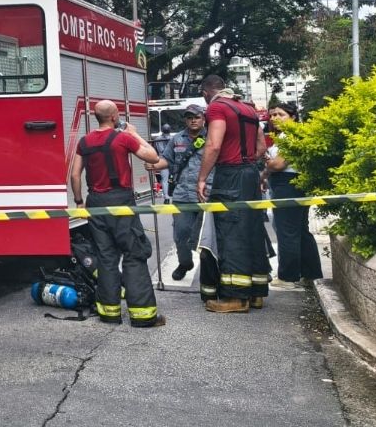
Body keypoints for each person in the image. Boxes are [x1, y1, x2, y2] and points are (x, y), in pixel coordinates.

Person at [70, 100, 165, 328]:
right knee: (134, 254)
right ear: (114, 117)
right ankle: (143, 315)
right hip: (121, 202)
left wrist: (79, 202)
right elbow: (152, 157)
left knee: (106, 257)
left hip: (95, 204)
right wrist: (135, 134)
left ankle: (109, 313)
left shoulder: (85, 141)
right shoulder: (123, 137)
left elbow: (75, 175)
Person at [196, 75, 270, 313]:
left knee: (232, 233)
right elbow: (261, 147)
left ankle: (235, 298)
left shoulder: (217, 107)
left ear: (206, 92)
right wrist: (248, 163)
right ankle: (257, 292)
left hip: (230, 175)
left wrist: (202, 178)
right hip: (249, 173)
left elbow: (214, 144)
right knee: (252, 230)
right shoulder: (247, 108)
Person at [262, 102, 323, 288]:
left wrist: (268, 164)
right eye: (272, 115)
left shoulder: (291, 136)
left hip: (287, 185)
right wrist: (268, 169)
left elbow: (278, 165)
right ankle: (311, 273)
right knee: (301, 231)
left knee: (287, 231)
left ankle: (288, 278)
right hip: (291, 184)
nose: (275, 118)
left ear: (293, 117)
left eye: (280, 114)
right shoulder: (286, 136)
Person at [159, 102, 210, 280]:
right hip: (182, 195)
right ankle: (185, 263)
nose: (193, 120)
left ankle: (209, 272)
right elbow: (166, 159)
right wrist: (153, 164)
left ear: (203, 118)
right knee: (180, 234)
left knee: (205, 237)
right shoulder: (177, 139)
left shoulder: (213, 137)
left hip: (206, 195)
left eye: (196, 117)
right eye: (189, 117)